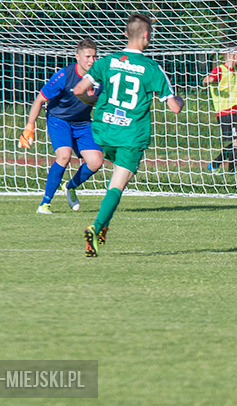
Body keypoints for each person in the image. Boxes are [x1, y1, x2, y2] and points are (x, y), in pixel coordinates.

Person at [73, 13, 184, 257]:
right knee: (117, 185)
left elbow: (79, 89)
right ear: (147, 35)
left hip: (103, 130)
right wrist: (180, 99)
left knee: (115, 174)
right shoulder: (152, 68)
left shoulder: (106, 61)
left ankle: (103, 225)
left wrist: (92, 102)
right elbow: (174, 107)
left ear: (126, 34)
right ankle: (96, 226)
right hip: (131, 135)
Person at [19, 38, 103, 214]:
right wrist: (29, 126)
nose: (91, 61)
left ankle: (70, 186)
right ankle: (45, 203)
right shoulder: (64, 75)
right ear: (77, 57)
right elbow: (40, 100)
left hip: (83, 123)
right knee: (64, 156)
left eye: (94, 57)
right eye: (87, 56)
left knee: (96, 162)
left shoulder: (99, 78)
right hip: (59, 120)